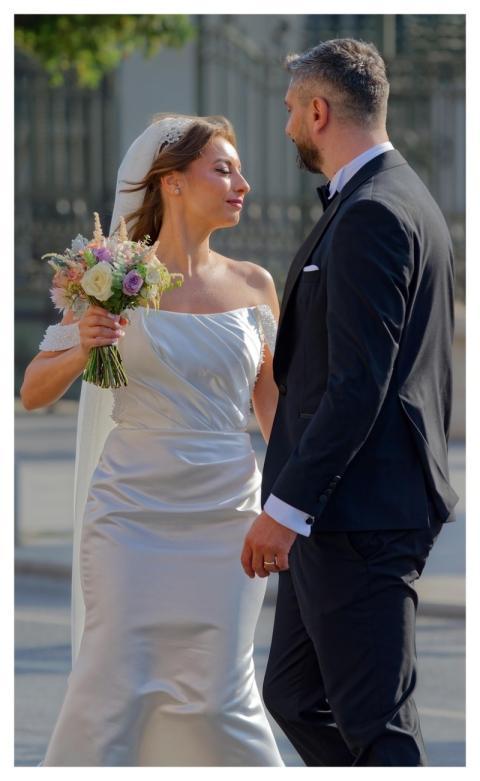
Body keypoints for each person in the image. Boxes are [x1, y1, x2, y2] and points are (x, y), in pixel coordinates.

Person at [21, 113, 284, 766]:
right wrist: (82, 346)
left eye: (240, 170)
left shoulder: (256, 285)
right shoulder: (109, 276)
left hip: (227, 518)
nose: (241, 183)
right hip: (131, 517)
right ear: (170, 182)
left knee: (222, 695)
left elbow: (274, 406)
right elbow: (32, 390)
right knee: (114, 690)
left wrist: (292, 506)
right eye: (223, 168)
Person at [240, 38, 459, 766]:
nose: (286, 129)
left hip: (358, 513)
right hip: (342, 511)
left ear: (319, 110)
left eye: (290, 112)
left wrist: (286, 508)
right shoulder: (393, 196)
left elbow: (359, 382)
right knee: (294, 694)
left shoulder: (374, 211)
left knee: (379, 726)